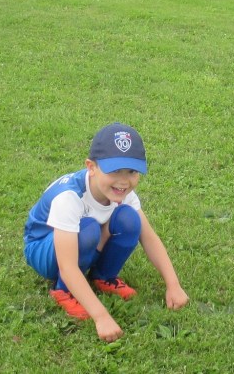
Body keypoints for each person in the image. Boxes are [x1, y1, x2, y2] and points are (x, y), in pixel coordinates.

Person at [24, 123, 189, 342]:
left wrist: (173, 285)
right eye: (115, 171)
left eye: (132, 172)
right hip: (43, 249)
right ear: (91, 167)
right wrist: (101, 317)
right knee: (89, 228)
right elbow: (67, 266)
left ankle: (103, 277)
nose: (124, 181)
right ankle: (63, 290)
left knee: (129, 219)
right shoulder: (69, 197)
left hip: (80, 238)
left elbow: (149, 237)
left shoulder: (122, 192)